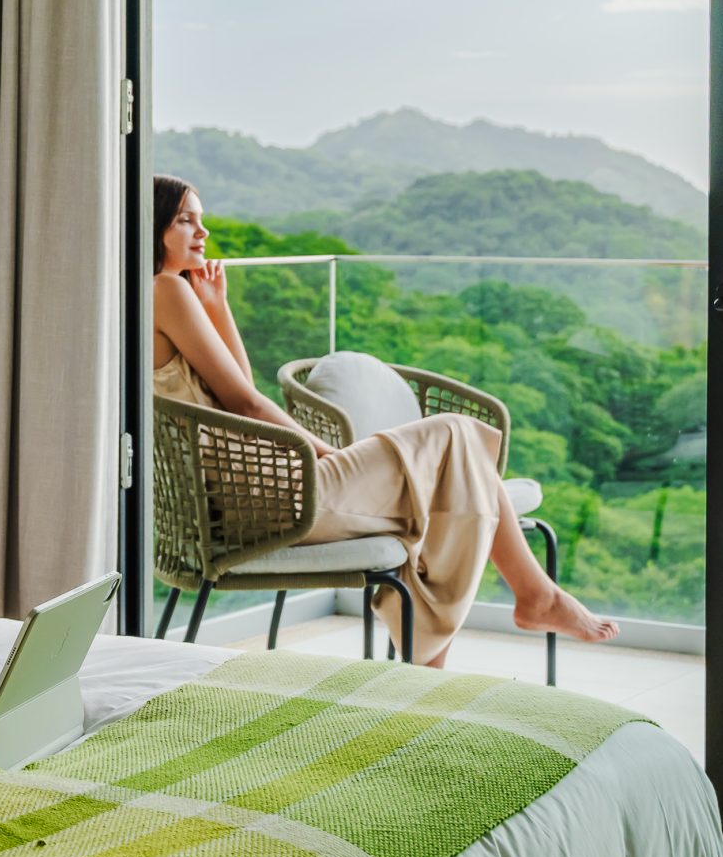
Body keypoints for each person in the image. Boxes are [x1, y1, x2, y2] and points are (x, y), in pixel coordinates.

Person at [149, 172, 618, 666]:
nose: (202, 233)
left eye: (201, 220)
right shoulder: (165, 289)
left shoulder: (156, 294)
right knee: (456, 433)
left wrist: (219, 308)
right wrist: (326, 453)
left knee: (455, 475)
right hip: (278, 494)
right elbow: (246, 405)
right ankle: (516, 606)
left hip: (247, 495)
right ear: (152, 224)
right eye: (185, 221)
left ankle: (451, 655)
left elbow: (236, 392)